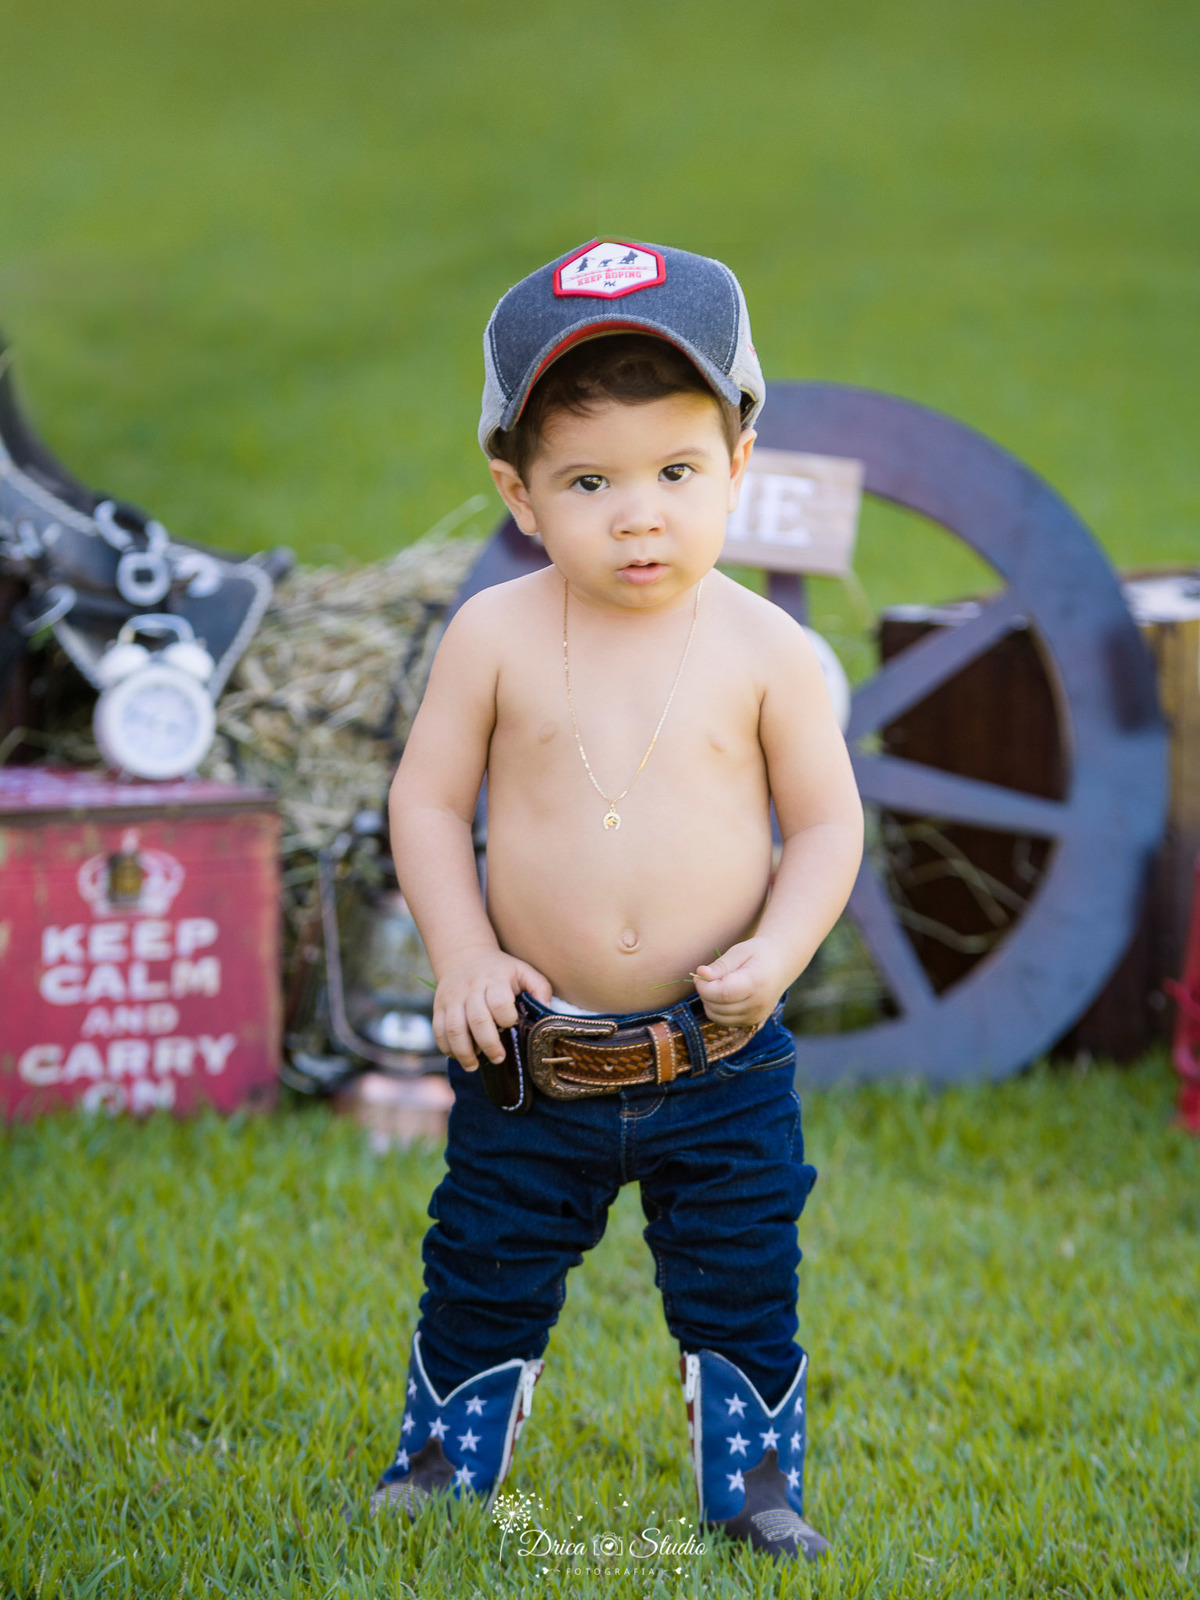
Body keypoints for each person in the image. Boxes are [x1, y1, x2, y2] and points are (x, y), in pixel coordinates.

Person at [368, 239, 863, 1562]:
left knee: (744, 1271)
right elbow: (423, 805)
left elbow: (825, 826)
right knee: (484, 1253)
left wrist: (779, 947)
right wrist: (464, 952)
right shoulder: (495, 636)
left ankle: (754, 1485)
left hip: (721, 1051)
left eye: (676, 472)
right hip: (533, 1052)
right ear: (518, 492)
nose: (638, 514)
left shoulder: (767, 652)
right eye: (590, 480)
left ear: (740, 463)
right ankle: (440, 1458)